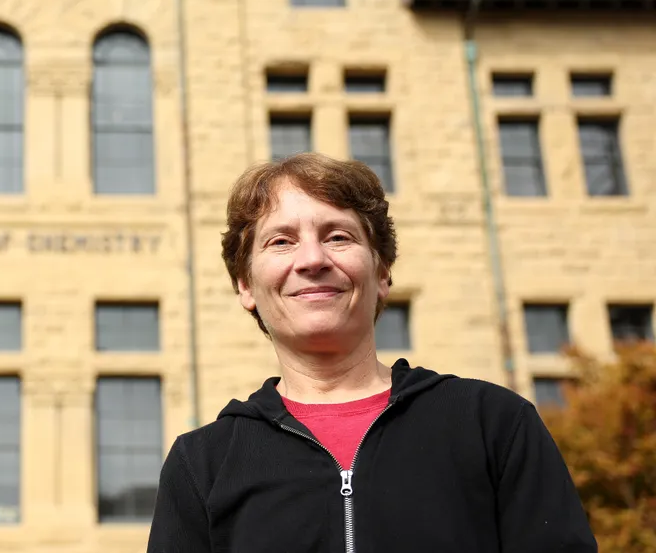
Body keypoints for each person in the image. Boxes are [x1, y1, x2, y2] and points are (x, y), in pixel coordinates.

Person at [146, 153, 596, 553]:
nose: (311, 259)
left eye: (338, 236)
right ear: (246, 286)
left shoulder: (492, 424)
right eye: (280, 241)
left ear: (381, 273)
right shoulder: (202, 463)